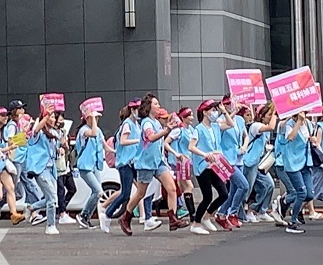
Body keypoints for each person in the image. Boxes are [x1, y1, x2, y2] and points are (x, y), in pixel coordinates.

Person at [117, 93, 188, 236]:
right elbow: (151, 137)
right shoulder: (147, 123)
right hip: (146, 163)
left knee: (172, 188)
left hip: (158, 161)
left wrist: (168, 128)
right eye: (156, 104)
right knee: (141, 193)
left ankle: (173, 218)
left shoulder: (155, 122)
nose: (158, 106)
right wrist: (167, 130)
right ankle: (126, 217)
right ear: (149, 107)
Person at [188, 100, 234, 235]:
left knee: (224, 194)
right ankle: (196, 223)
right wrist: (205, 154)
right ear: (205, 112)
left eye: (215, 110)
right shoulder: (198, 129)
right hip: (202, 166)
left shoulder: (215, 126)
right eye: (212, 110)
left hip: (215, 166)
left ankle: (207, 216)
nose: (214, 112)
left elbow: (231, 124)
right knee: (207, 196)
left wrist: (224, 111)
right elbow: (191, 147)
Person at [100, 99, 141, 233]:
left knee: (141, 190)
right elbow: (123, 141)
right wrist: (138, 140)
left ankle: (145, 218)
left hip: (133, 163)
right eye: (138, 109)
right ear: (133, 110)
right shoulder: (128, 124)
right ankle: (107, 214)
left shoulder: (136, 124)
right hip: (125, 164)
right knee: (125, 194)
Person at [24, 105, 62, 235]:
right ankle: (50, 225)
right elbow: (35, 130)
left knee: (52, 198)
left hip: (52, 169)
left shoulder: (54, 133)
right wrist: (45, 115)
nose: (53, 119)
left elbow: (56, 151)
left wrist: (62, 148)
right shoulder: (38, 133)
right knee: (52, 198)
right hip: (41, 169)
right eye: (51, 116)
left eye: (53, 117)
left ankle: (32, 207)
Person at [217, 96, 250, 228]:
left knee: (234, 190)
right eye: (227, 104)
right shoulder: (219, 121)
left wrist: (245, 146)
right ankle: (232, 212)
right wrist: (232, 112)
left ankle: (222, 213)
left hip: (239, 158)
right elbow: (227, 124)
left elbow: (245, 135)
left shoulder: (240, 120)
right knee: (244, 185)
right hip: (227, 159)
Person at [242, 103, 277, 223]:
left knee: (270, 185)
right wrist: (276, 112)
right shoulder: (256, 126)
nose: (270, 117)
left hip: (260, 163)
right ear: (262, 116)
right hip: (250, 162)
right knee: (247, 189)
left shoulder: (264, 129)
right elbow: (272, 127)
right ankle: (242, 212)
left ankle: (260, 210)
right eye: (269, 115)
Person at [75, 107, 108, 229]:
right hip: (85, 166)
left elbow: (104, 145)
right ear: (87, 118)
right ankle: (83, 215)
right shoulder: (83, 130)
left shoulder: (98, 130)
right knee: (98, 191)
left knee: (98, 193)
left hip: (94, 164)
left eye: (97, 117)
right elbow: (93, 134)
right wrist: (92, 118)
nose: (97, 119)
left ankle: (86, 217)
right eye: (94, 117)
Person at [282, 111, 315, 234]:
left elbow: (310, 139)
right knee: (301, 192)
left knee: (309, 194)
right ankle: (293, 221)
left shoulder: (309, 124)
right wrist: (298, 122)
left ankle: (286, 201)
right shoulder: (289, 124)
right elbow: (290, 137)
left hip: (305, 162)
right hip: (292, 162)